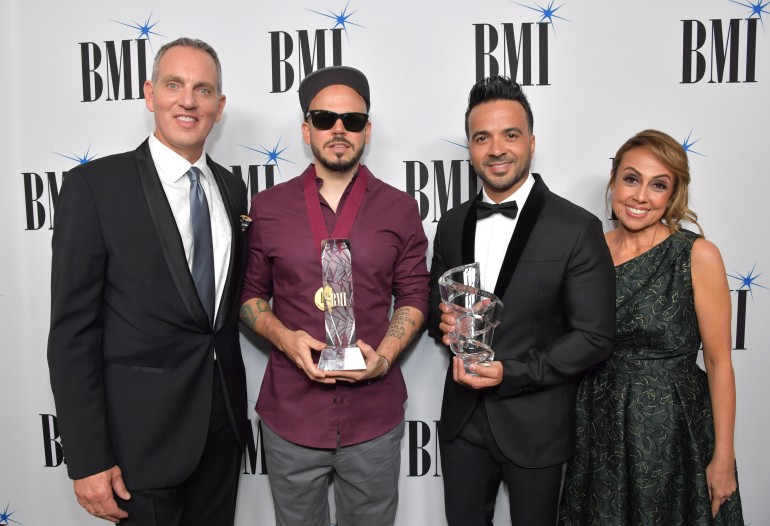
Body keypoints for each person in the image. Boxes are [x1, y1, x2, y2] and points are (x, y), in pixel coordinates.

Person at [47, 38, 248, 525]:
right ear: (149, 93)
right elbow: (72, 333)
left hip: (221, 432)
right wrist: (88, 456)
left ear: (219, 108)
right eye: (174, 85)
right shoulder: (94, 187)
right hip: (137, 444)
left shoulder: (231, 187)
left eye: (203, 90)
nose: (188, 100)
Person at [239, 65, 430, 526]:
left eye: (352, 120)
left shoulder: (400, 208)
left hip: (373, 418)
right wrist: (286, 340)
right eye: (324, 119)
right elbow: (249, 299)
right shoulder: (267, 208)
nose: (338, 129)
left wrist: (384, 357)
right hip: (291, 418)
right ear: (307, 129)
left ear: (368, 130)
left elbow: (414, 296)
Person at [428, 75, 616, 526]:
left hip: (536, 424)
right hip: (461, 424)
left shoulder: (576, 226)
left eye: (510, 134)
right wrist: (446, 325)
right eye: (482, 137)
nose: (496, 149)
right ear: (470, 148)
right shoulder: (451, 225)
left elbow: (594, 336)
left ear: (531, 142)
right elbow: (439, 315)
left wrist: (511, 373)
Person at [559, 129, 744, 525]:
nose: (641, 196)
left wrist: (724, 456)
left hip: (670, 431)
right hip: (599, 424)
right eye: (631, 179)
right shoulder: (587, 249)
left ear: (672, 194)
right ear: (613, 182)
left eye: (658, 185)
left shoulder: (696, 254)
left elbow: (718, 361)